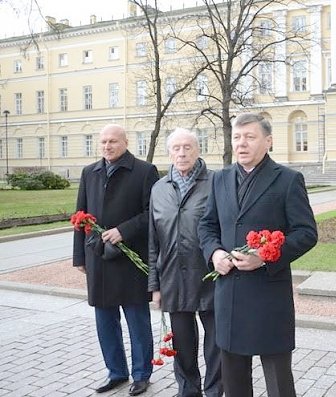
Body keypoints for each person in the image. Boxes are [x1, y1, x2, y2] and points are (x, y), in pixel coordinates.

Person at [197, 112, 318, 397]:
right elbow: (206, 225)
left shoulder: (288, 180)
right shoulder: (220, 178)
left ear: (268, 141)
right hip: (229, 296)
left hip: (268, 296)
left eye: (250, 137)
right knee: (235, 382)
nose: (242, 144)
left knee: (278, 381)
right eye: (237, 137)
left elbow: (306, 233)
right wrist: (214, 253)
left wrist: (264, 256)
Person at [72, 124, 159, 395]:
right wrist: (79, 256)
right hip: (98, 258)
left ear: (125, 141)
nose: (107, 146)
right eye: (103, 142)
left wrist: (124, 230)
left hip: (130, 261)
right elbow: (80, 216)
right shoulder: (90, 172)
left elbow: (152, 214)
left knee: (137, 321)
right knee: (105, 322)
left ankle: (142, 374)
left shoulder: (145, 172)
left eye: (113, 141)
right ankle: (116, 372)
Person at [148, 128, 223, 397]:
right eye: (176, 148)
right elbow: (152, 241)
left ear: (198, 149)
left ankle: (215, 391)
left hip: (210, 276)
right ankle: (188, 390)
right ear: (169, 153)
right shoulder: (159, 188)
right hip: (172, 278)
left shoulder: (216, 182)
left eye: (187, 147)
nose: (181, 153)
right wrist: (154, 285)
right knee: (182, 343)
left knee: (216, 343)